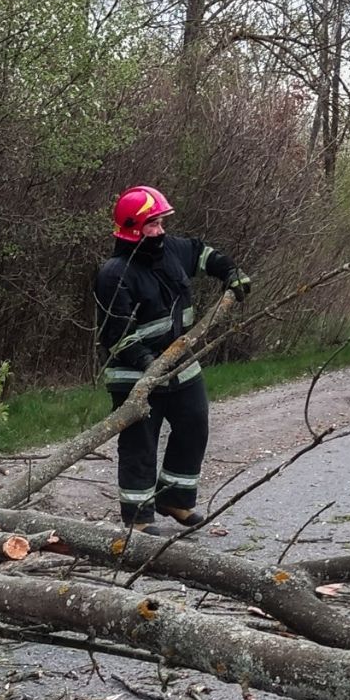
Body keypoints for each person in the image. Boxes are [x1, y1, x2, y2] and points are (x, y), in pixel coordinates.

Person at [93, 185, 251, 531]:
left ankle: (175, 499)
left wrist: (231, 272)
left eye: (162, 223)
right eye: (153, 224)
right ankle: (138, 518)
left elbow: (203, 253)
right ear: (134, 229)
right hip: (135, 376)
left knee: (194, 425)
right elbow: (116, 335)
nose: (160, 231)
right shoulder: (113, 274)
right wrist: (149, 365)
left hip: (182, 364)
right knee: (140, 444)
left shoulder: (172, 251)